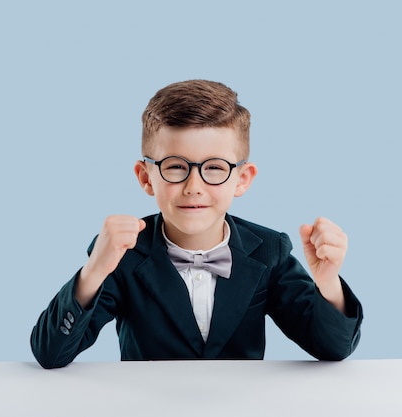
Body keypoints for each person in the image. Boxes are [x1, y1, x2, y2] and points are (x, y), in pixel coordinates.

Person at [30, 79, 363, 369]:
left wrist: (328, 283)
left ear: (242, 179)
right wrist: (94, 271)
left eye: (215, 168)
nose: (194, 186)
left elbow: (332, 349)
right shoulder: (123, 254)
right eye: (175, 167)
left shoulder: (269, 251)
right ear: (146, 178)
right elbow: (51, 353)